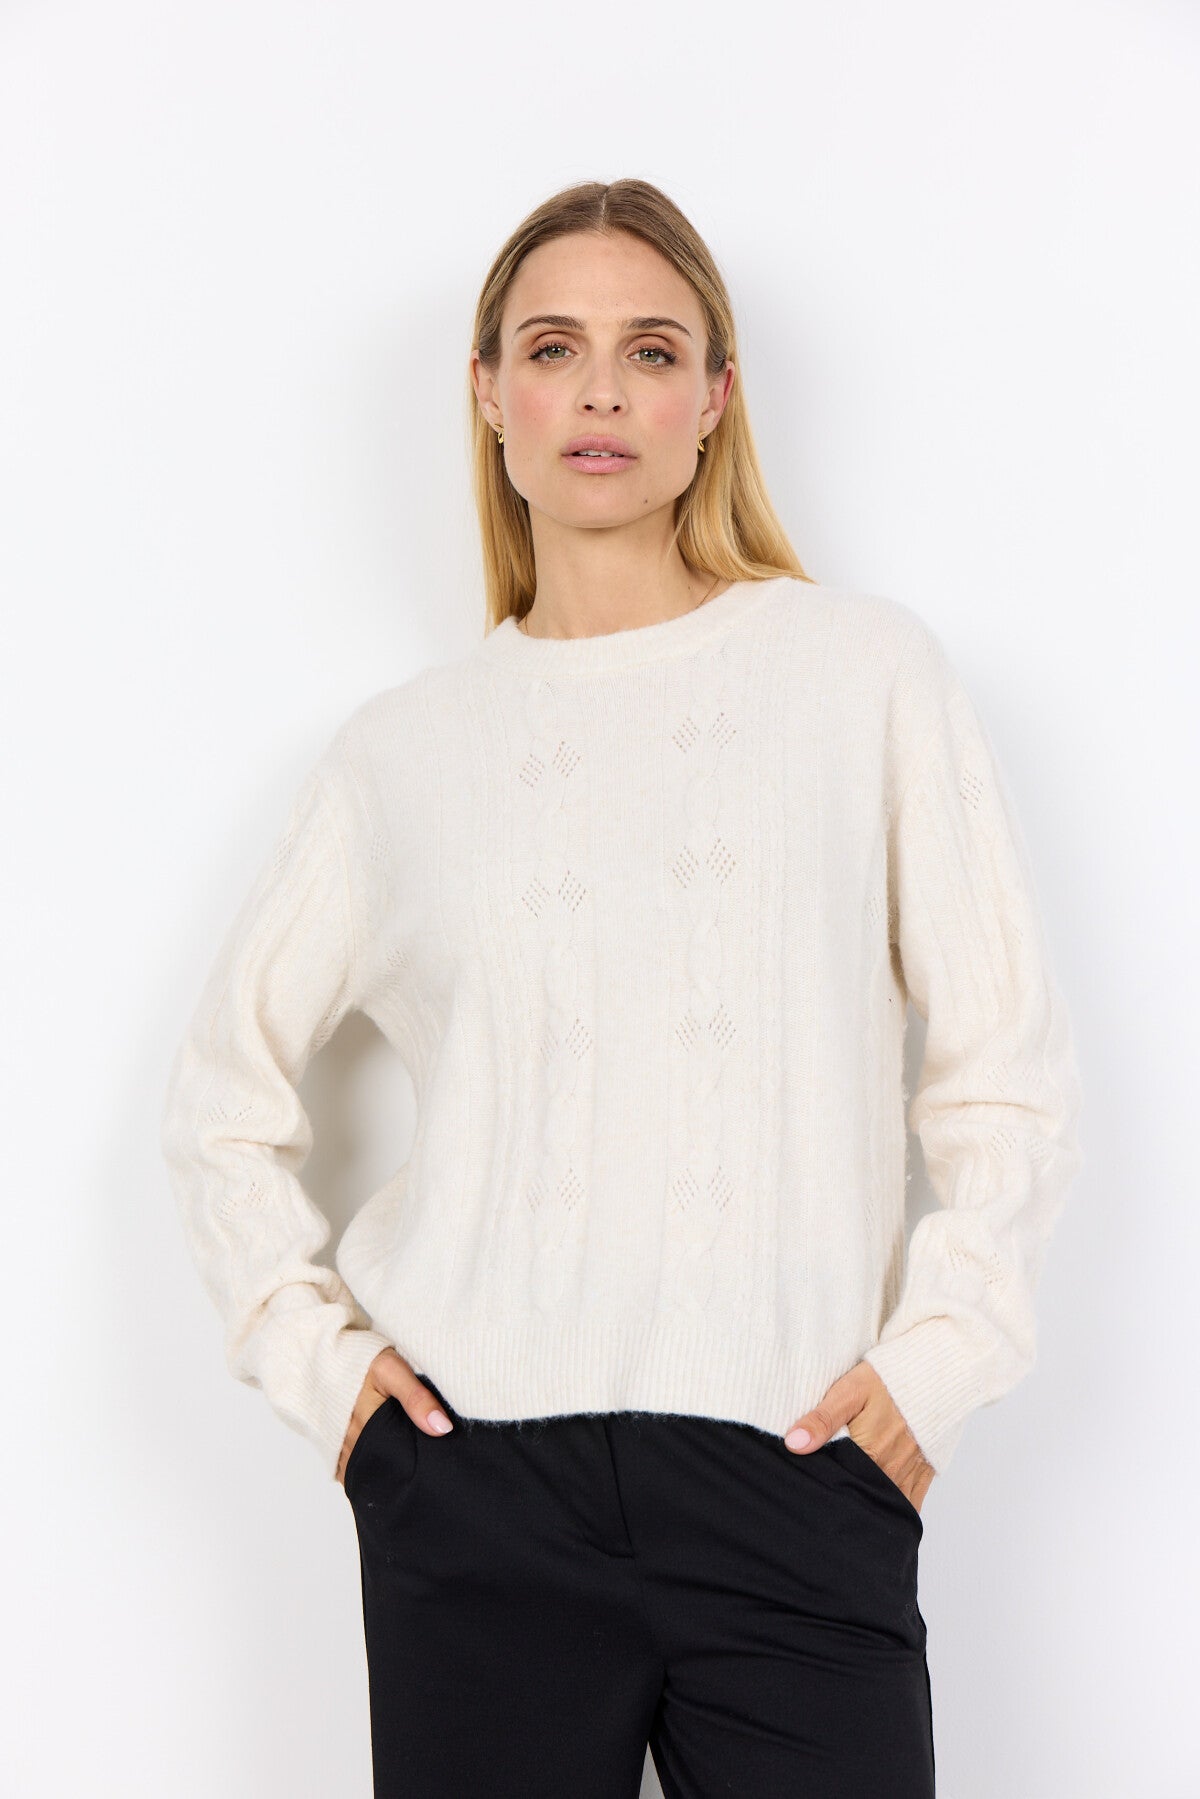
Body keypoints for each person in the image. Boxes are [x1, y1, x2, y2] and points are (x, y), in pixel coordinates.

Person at [159, 177, 1084, 1797]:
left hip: (799, 1475)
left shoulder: (862, 676)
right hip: (477, 1494)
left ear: (714, 398)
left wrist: (938, 1363)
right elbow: (217, 1107)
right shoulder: (401, 756)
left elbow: (1003, 1068)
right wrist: (333, 1386)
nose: (600, 393)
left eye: (651, 351)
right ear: (488, 393)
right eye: (553, 349)